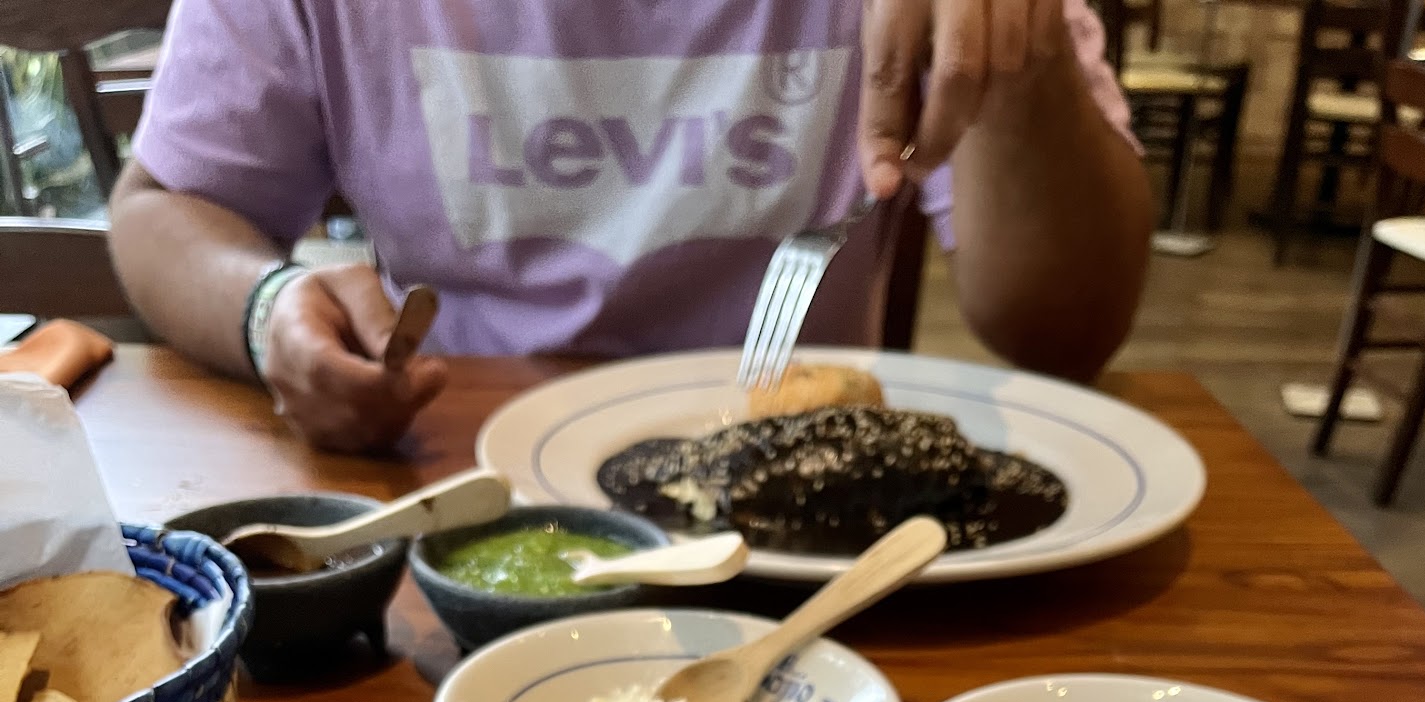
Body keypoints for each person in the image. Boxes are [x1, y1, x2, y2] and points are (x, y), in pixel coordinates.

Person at [109, 1, 1152, 454]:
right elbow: (163, 207)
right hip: (448, 474)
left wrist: (1023, 61)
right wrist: (267, 310)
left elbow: (1063, 330)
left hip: (806, 504)